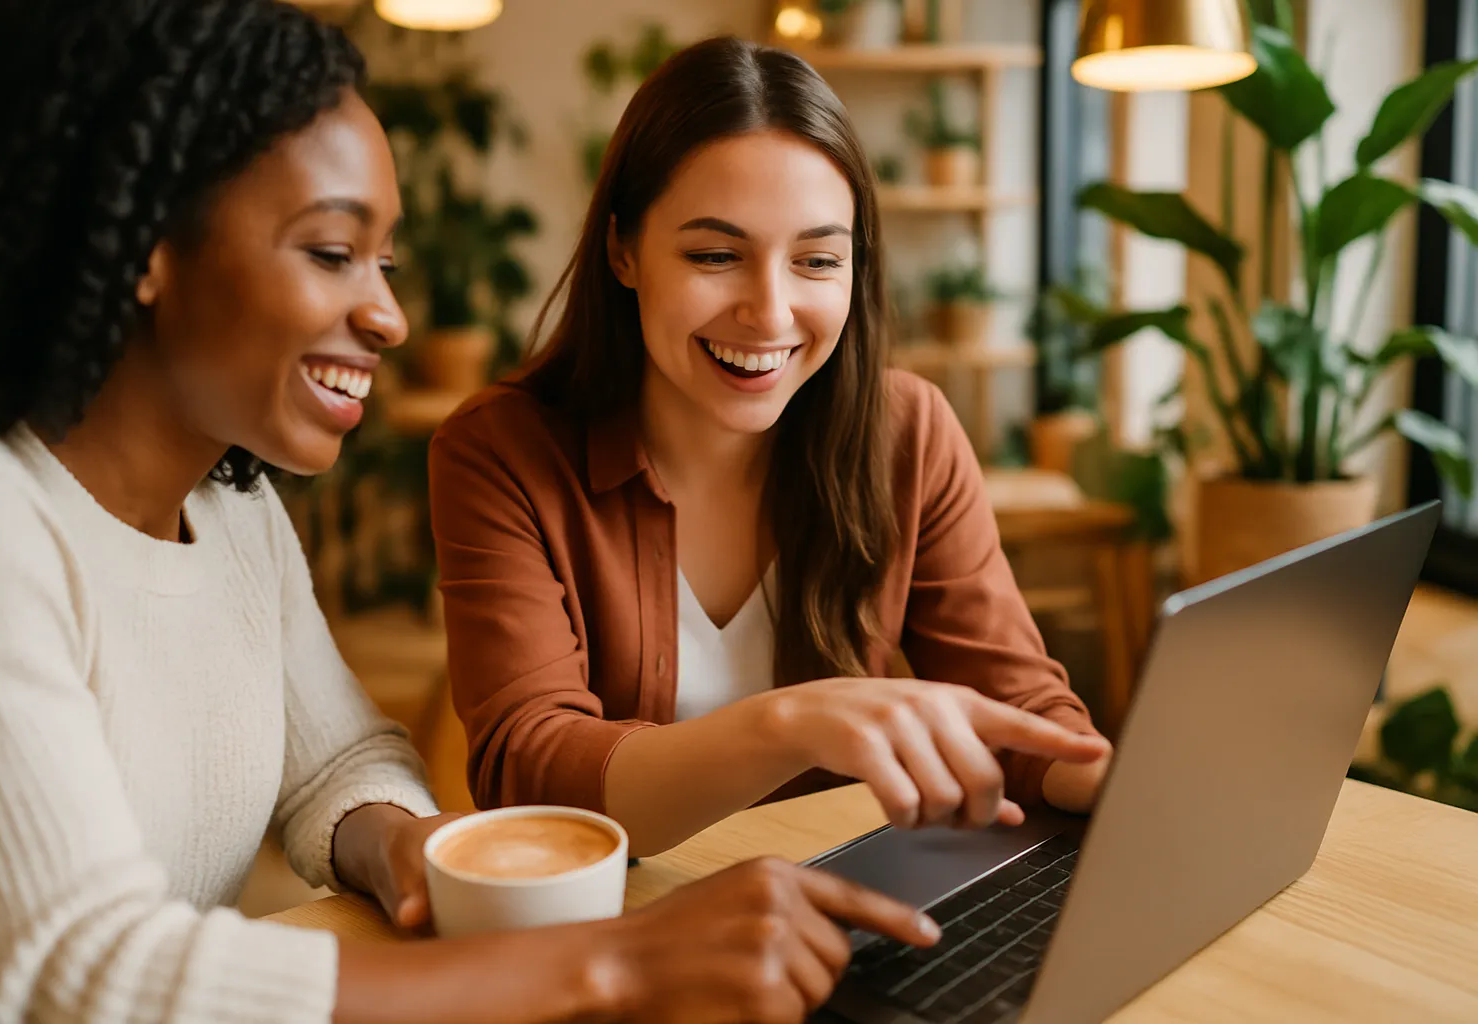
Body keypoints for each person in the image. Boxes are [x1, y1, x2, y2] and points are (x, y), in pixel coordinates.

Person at [0, 3, 941, 1022]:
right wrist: (615, 963)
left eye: (385, 262)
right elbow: (75, 970)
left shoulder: (232, 514)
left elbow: (336, 765)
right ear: (146, 244)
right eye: (331, 251)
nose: (389, 316)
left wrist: (399, 843)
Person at [428, 36, 1113, 859]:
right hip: (633, 915)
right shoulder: (499, 451)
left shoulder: (909, 433)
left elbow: (1015, 707)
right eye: (716, 255)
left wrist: (1110, 778)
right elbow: (527, 767)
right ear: (623, 251)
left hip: (839, 904)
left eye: (817, 260)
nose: (771, 313)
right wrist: (791, 726)